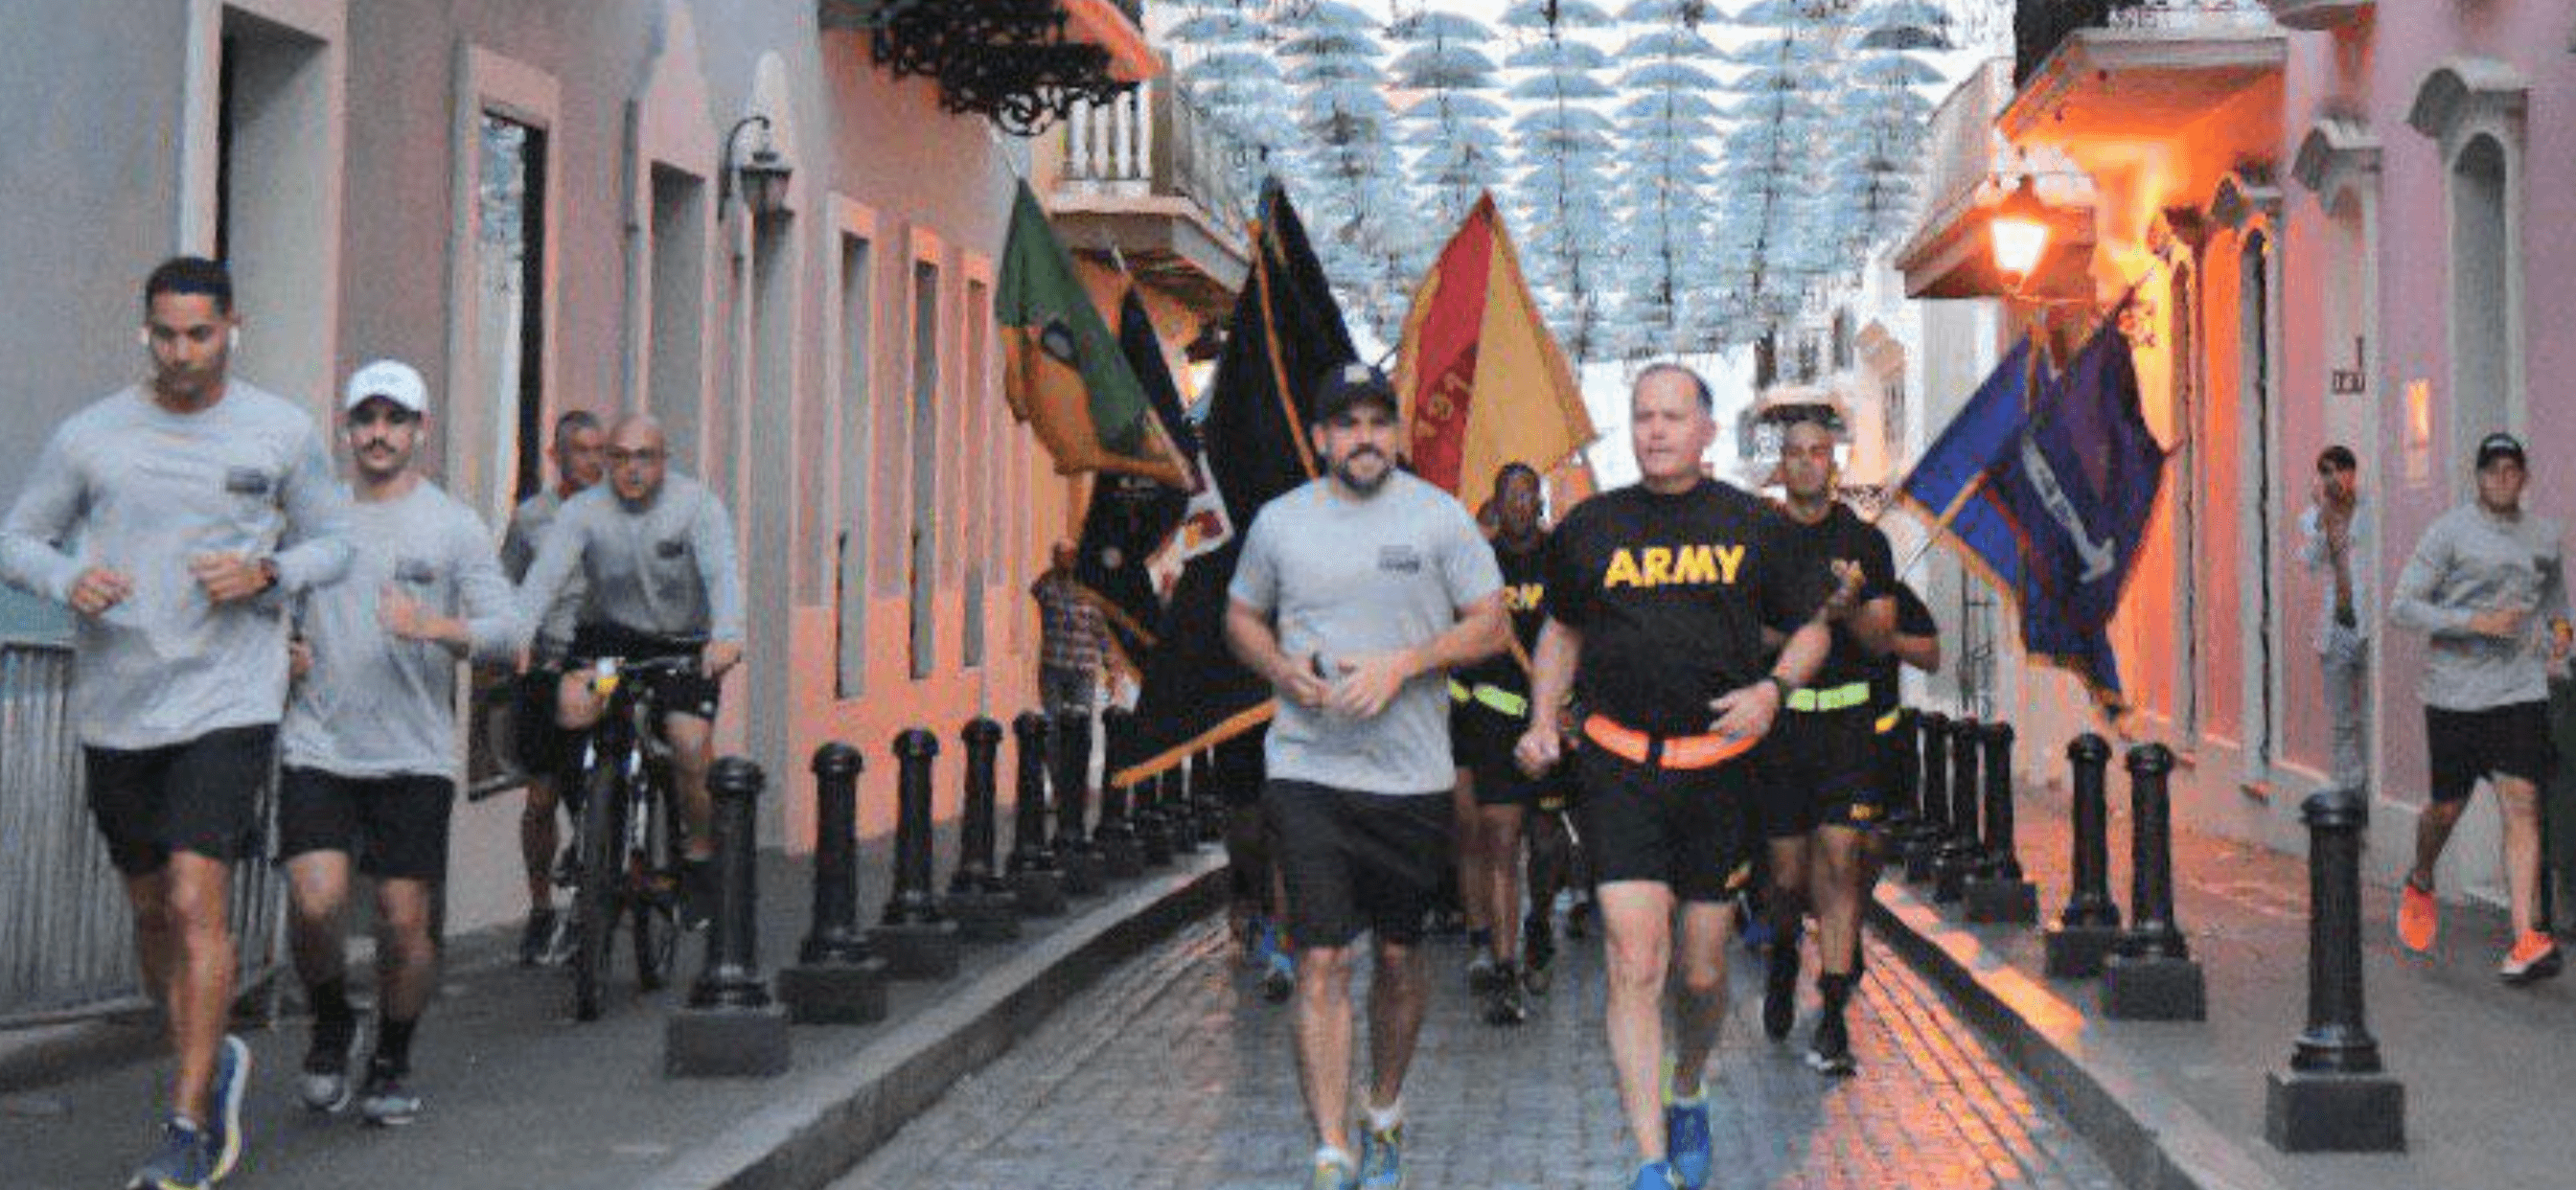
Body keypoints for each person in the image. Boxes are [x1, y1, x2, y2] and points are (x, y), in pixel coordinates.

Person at [1, 257, 353, 1190]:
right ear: (145, 332)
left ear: (232, 329)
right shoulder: (91, 436)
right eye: (166, 335)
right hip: (120, 704)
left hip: (228, 699)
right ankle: (210, 1054)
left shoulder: (278, 431)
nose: (182, 353)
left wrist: (269, 573)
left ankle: (187, 1125)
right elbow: (17, 539)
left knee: (198, 899)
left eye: (200, 334)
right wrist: (66, 578)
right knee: (151, 908)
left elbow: (335, 541)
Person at [1516, 364, 1828, 1190]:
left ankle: (1688, 1085)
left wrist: (1773, 691)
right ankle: (1651, 1161)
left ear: (1706, 430)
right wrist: (1543, 718)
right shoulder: (1590, 528)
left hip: (1718, 778)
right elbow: (1560, 632)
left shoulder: (1752, 525)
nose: (1655, 430)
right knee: (1634, 960)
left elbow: (1811, 631)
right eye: (1643, 416)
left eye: (1672, 416)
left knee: (1701, 973)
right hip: (1620, 771)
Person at [1225, 362, 1508, 1190]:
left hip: (1411, 779)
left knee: (1396, 958)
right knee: (1321, 959)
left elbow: (1492, 625)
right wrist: (1280, 669)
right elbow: (1241, 615)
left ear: (1397, 434)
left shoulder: (1439, 518)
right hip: (1307, 769)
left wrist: (1405, 664)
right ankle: (1331, 1150)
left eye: (1378, 423)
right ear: (1321, 438)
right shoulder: (1280, 524)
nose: (1364, 438)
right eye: (1346, 424)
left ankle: (1382, 1109)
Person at [279, 361, 515, 1126]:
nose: (379, 433)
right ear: (347, 429)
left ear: (419, 431)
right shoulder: (312, 518)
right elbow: (268, 603)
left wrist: (434, 627)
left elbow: (507, 630)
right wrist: (283, 650)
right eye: (366, 419)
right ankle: (331, 1022)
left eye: (394, 419)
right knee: (315, 904)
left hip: (413, 754)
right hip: (318, 745)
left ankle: (391, 1058)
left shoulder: (453, 525)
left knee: (402, 920)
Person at [513, 415, 746, 929]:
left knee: (687, 742)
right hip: (611, 647)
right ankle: (594, 831)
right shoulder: (583, 511)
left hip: (681, 647)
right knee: (574, 708)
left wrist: (727, 635)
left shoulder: (696, 506)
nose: (632, 469)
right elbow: (544, 578)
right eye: (619, 457)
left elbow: (722, 575)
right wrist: (519, 633)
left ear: (663, 460)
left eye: (644, 457)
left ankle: (698, 857)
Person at [2389, 432, 2567, 982]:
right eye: (2493, 470)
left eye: (2511, 470)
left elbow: (2554, 596)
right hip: (2455, 694)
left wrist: (2562, 629)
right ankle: (2422, 877)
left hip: (2518, 690)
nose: (2502, 479)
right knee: (2447, 808)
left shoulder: (2544, 535)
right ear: (2479, 477)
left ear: (2524, 477)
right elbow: (2403, 606)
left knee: (2522, 801)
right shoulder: (2448, 533)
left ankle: (2525, 938)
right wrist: (2474, 622)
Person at [1751, 415, 1898, 1077]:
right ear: (1781, 464)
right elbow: (1741, 635)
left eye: (1819, 451)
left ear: (1833, 462)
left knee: (1839, 862)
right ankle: (1784, 955)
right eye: (1796, 453)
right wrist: (1804, 635)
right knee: (1787, 880)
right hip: (1784, 731)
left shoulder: (1865, 542)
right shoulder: (1761, 544)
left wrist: (1851, 607)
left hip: (1847, 728)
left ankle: (1834, 1013)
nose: (1808, 462)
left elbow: (1882, 640)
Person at [499, 409, 605, 965]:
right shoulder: (532, 519)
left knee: (597, 789)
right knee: (540, 798)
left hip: (604, 666)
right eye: (580, 450)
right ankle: (541, 909)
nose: (591, 460)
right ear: (556, 456)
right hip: (546, 665)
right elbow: (506, 588)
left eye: (598, 450)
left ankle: (599, 889)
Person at [1448, 461, 1552, 1025]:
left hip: (1551, 718)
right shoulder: (1478, 565)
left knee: (1548, 843)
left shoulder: (1559, 559)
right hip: (1490, 720)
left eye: (1527, 493)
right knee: (1499, 839)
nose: (1518, 503)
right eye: (1509, 494)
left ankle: (1540, 926)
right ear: (1496, 501)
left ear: (1539, 500)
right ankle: (1502, 964)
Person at [2299, 445, 2371, 791]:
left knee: (2372, 713)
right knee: (2342, 719)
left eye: (2339, 470)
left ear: (2352, 474)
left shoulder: (2370, 509)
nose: (2333, 478)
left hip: (2369, 625)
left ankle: (2371, 789)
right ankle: (2348, 790)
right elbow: (2309, 562)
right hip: (2336, 627)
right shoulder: (2313, 516)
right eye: (2325, 471)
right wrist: (2324, 520)